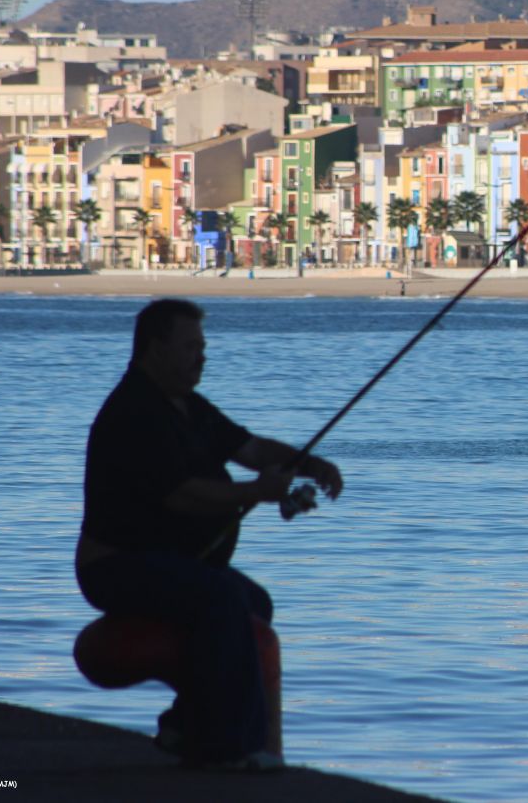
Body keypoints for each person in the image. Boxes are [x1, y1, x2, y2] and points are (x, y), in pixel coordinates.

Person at [76, 298, 342, 771]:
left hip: (172, 560)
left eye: (203, 346)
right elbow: (181, 496)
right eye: (190, 347)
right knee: (222, 598)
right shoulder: (134, 412)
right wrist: (256, 492)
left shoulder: (188, 406)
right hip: (116, 564)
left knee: (254, 601)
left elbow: (250, 447)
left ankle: (187, 725)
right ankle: (227, 746)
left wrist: (309, 463)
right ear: (155, 348)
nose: (202, 357)